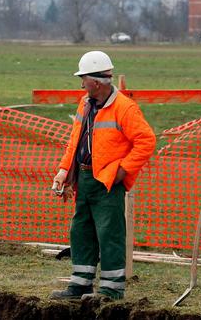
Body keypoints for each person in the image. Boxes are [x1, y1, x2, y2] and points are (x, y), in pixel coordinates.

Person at [49, 50, 156, 301]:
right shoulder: (85, 104)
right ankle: (80, 284)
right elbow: (75, 140)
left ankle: (111, 289)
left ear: (96, 81)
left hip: (107, 183)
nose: (81, 83)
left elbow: (146, 141)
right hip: (84, 180)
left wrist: (122, 171)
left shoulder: (125, 108)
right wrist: (64, 171)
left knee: (109, 234)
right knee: (81, 231)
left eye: (83, 78)